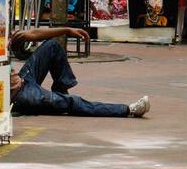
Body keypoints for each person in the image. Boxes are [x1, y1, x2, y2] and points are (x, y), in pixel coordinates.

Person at [8, 26, 149, 118]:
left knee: (52, 46)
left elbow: (31, 34)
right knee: (73, 102)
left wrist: (67, 30)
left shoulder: (0, 33)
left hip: (23, 80)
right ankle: (129, 110)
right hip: (19, 96)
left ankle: (61, 91)